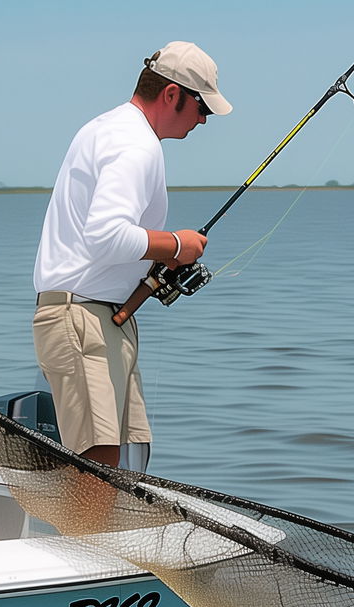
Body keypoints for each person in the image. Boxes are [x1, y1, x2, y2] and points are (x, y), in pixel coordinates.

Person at [33, 41, 232, 468]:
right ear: (172, 94)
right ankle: (86, 535)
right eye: (202, 107)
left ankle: (97, 533)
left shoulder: (106, 128)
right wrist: (176, 245)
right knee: (99, 464)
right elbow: (105, 236)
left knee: (124, 461)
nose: (204, 119)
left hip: (98, 317)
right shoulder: (136, 145)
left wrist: (159, 253)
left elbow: (105, 239)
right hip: (84, 321)